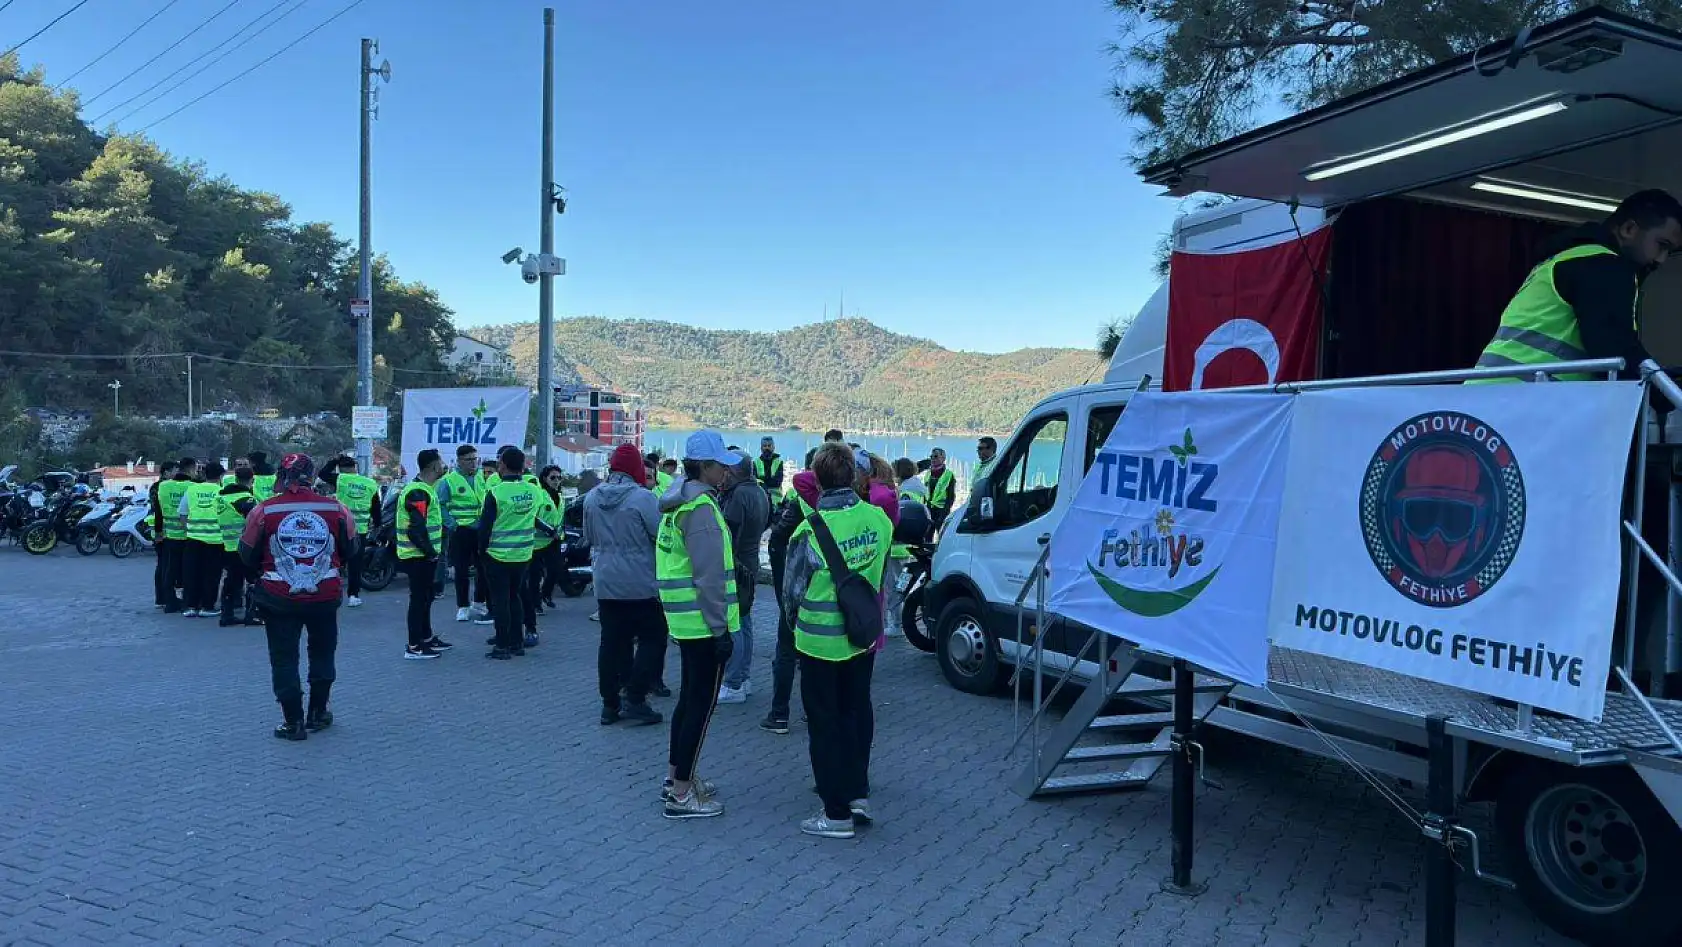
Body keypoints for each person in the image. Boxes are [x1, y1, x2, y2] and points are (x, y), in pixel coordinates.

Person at [783, 442, 893, 839]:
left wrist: (797, 627)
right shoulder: (879, 520)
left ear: (817, 478)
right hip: (862, 636)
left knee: (824, 723)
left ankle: (835, 813)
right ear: (855, 475)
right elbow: (879, 575)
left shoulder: (808, 529)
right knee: (856, 713)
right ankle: (857, 792)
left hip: (818, 642)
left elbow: (791, 593)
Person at [1471, 189, 1682, 383]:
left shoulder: (1563, 259)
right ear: (1628, 229)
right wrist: (1663, 392)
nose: (1661, 259)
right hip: (1525, 401)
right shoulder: (1604, 266)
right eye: (1661, 245)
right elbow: (1615, 350)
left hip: (1491, 397)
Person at [657, 431, 742, 819]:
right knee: (700, 707)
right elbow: (709, 577)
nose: (726, 470)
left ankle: (677, 776)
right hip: (703, 624)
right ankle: (681, 792)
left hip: (684, 619)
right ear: (703, 467)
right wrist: (721, 630)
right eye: (720, 464)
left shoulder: (678, 501)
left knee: (688, 701)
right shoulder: (702, 509)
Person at [240, 453, 354, 741]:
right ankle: (318, 713)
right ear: (312, 475)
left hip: (278, 599)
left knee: (283, 659)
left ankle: (293, 723)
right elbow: (352, 549)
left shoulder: (264, 510)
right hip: (324, 597)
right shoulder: (337, 509)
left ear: (282, 475)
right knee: (323, 653)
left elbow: (246, 553)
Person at [585, 444, 666, 727]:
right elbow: (660, 535)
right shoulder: (643, 499)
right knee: (652, 637)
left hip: (605, 580)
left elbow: (588, 535)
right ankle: (636, 697)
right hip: (640, 580)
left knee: (611, 641)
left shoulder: (592, 498)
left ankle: (609, 704)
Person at [760, 468, 818, 735]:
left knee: (785, 652)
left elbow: (776, 543)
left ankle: (779, 714)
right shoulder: (836, 511)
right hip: (822, 598)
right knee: (812, 658)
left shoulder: (798, 507)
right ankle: (813, 710)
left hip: (793, 595)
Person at [717, 454, 771, 704]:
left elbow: (728, 530)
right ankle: (744, 677)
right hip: (750, 561)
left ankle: (734, 680)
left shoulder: (738, 496)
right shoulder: (759, 492)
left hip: (737, 563)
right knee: (745, 621)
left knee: (735, 622)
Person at [477, 447, 538, 659]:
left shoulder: (496, 492)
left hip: (498, 555)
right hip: (523, 554)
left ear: (502, 465)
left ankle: (501, 646)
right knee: (516, 597)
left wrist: (481, 551)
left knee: (500, 601)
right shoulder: (534, 491)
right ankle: (517, 643)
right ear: (523, 466)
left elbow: (485, 527)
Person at [397, 449, 452, 660]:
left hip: (423, 555)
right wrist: (430, 553)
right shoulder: (418, 492)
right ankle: (414, 646)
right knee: (419, 600)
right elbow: (415, 528)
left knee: (426, 597)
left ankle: (426, 638)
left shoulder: (424, 489)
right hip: (417, 556)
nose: (444, 466)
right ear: (433, 466)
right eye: (441, 462)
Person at [439, 445, 491, 624]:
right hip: (461, 531)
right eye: (469, 459)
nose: (473, 463)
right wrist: (452, 525)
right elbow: (441, 506)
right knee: (461, 571)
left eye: (475, 459)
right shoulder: (449, 481)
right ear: (459, 461)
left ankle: (479, 601)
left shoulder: (482, 477)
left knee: (483, 568)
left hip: (481, 530)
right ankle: (462, 606)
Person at [333, 456, 381, 608]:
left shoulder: (340, 479)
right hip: (359, 530)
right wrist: (378, 525)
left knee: (334, 561)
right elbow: (376, 508)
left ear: (340, 468)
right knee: (355, 564)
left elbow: (322, 473)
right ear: (355, 467)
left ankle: (330, 593)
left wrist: (334, 461)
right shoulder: (370, 483)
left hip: (339, 528)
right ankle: (353, 595)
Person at [216, 466, 261, 627]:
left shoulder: (221, 497)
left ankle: (226, 615)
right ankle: (253, 615)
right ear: (252, 480)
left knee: (231, 580)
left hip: (226, 545)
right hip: (244, 546)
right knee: (254, 580)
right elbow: (255, 522)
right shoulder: (246, 499)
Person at [180, 461, 225, 618]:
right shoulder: (222, 491)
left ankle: (190, 607)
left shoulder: (191, 490)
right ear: (221, 476)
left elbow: (183, 514)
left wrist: (190, 529)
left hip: (193, 539)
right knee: (211, 575)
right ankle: (207, 606)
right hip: (215, 540)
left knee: (192, 573)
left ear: (205, 474)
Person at [523, 467, 561, 645]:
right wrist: (547, 530)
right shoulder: (539, 495)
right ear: (544, 478)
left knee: (555, 570)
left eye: (559, 478)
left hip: (553, 540)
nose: (556, 480)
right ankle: (536, 603)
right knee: (534, 575)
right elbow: (533, 517)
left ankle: (546, 594)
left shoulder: (559, 496)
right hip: (536, 542)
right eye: (553, 477)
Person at [156, 458, 196, 613]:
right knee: (187, 570)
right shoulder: (192, 487)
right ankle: (187, 601)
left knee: (169, 570)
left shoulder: (163, 487)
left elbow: (158, 511)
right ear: (190, 470)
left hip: (169, 535)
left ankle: (169, 602)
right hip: (188, 535)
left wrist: (159, 532)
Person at [150, 460, 179, 609]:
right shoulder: (159, 488)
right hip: (163, 532)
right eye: (175, 470)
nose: (176, 474)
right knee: (164, 565)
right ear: (166, 472)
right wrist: (159, 533)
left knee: (163, 565)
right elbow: (158, 511)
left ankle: (162, 598)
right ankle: (164, 598)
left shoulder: (161, 487)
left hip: (163, 531)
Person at [925, 448, 957, 533]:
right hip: (929, 509)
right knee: (927, 536)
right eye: (931, 457)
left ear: (943, 458)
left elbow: (951, 497)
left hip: (941, 510)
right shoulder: (928, 473)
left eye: (936, 456)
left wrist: (944, 514)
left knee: (941, 535)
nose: (933, 459)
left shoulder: (949, 475)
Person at [754, 436, 785, 504]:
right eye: (765, 446)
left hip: (776, 501)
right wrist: (768, 480)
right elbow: (755, 482)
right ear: (761, 448)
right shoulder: (755, 463)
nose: (767, 448)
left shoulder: (779, 462)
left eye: (769, 446)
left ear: (773, 447)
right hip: (761, 500)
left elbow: (777, 482)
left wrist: (762, 480)